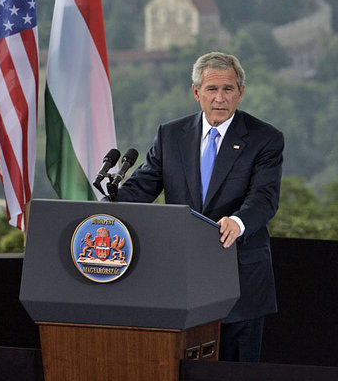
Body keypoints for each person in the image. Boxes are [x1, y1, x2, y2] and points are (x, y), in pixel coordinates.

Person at [111, 51, 284, 362]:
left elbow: (264, 197)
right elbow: (141, 188)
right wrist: (102, 211)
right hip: (181, 283)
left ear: (240, 93)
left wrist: (238, 222)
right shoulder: (171, 134)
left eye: (228, 89)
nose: (219, 98)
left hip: (239, 280)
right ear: (196, 93)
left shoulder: (265, 138)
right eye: (211, 89)